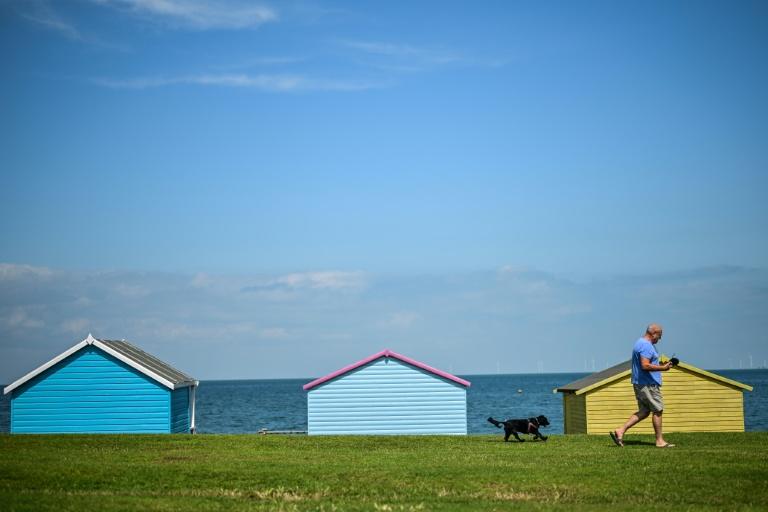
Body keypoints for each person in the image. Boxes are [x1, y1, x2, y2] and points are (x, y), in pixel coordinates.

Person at [610, 324, 675, 448]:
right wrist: (663, 368)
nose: (660, 339)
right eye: (659, 336)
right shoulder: (646, 346)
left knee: (644, 411)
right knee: (658, 410)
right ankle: (659, 441)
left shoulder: (640, 343)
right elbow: (645, 365)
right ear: (653, 333)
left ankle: (621, 430)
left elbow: (647, 363)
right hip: (647, 384)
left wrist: (661, 364)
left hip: (640, 382)